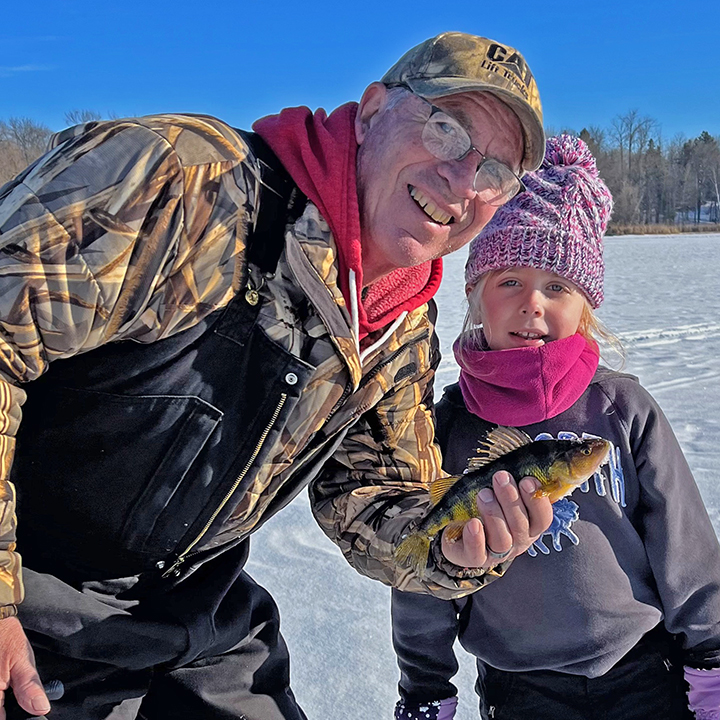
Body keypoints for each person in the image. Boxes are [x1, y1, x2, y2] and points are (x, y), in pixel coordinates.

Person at [0, 32, 554, 720]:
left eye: (495, 171)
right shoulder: (179, 183)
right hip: (28, 593)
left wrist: (454, 544)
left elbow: (375, 497)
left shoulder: (399, 324)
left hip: (193, 617)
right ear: (375, 108)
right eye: (445, 129)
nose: (464, 180)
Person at [391, 135, 720, 720]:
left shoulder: (621, 409)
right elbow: (420, 574)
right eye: (509, 281)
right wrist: (426, 688)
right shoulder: (446, 428)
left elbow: (684, 543)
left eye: (557, 286)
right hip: (520, 687)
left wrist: (711, 660)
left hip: (643, 669)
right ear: (476, 297)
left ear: (584, 305)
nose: (533, 304)